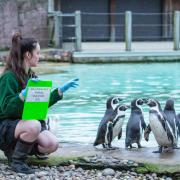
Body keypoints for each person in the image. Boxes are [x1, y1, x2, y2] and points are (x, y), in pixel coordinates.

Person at [0, 33, 79, 174]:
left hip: (22, 124)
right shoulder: (8, 77)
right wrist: (23, 94)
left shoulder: (31, 76)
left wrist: (59, 91)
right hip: (5, 126)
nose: (39, 56)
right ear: (28, 55)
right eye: (37, 53)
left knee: (51, 144)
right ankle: (17, 162)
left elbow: (39, 105)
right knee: (34, 125)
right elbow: (6, 110)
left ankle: (15, 151)